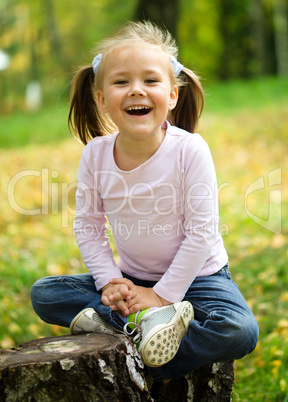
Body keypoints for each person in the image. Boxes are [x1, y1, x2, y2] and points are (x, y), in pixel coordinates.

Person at [31, 21, 258, 381]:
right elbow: (89, 226)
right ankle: (144, 325)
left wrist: (164, 295)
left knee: (239, 330)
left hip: (200, 277)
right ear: (103, 99)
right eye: (122, 82)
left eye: (150, 81)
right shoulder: (95, 154)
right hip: (131, 279)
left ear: (171, 95)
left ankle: (136, 356)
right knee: (45, 294)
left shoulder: (189, 150)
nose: (136, 90)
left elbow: (202, 232)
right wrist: (109, 282)